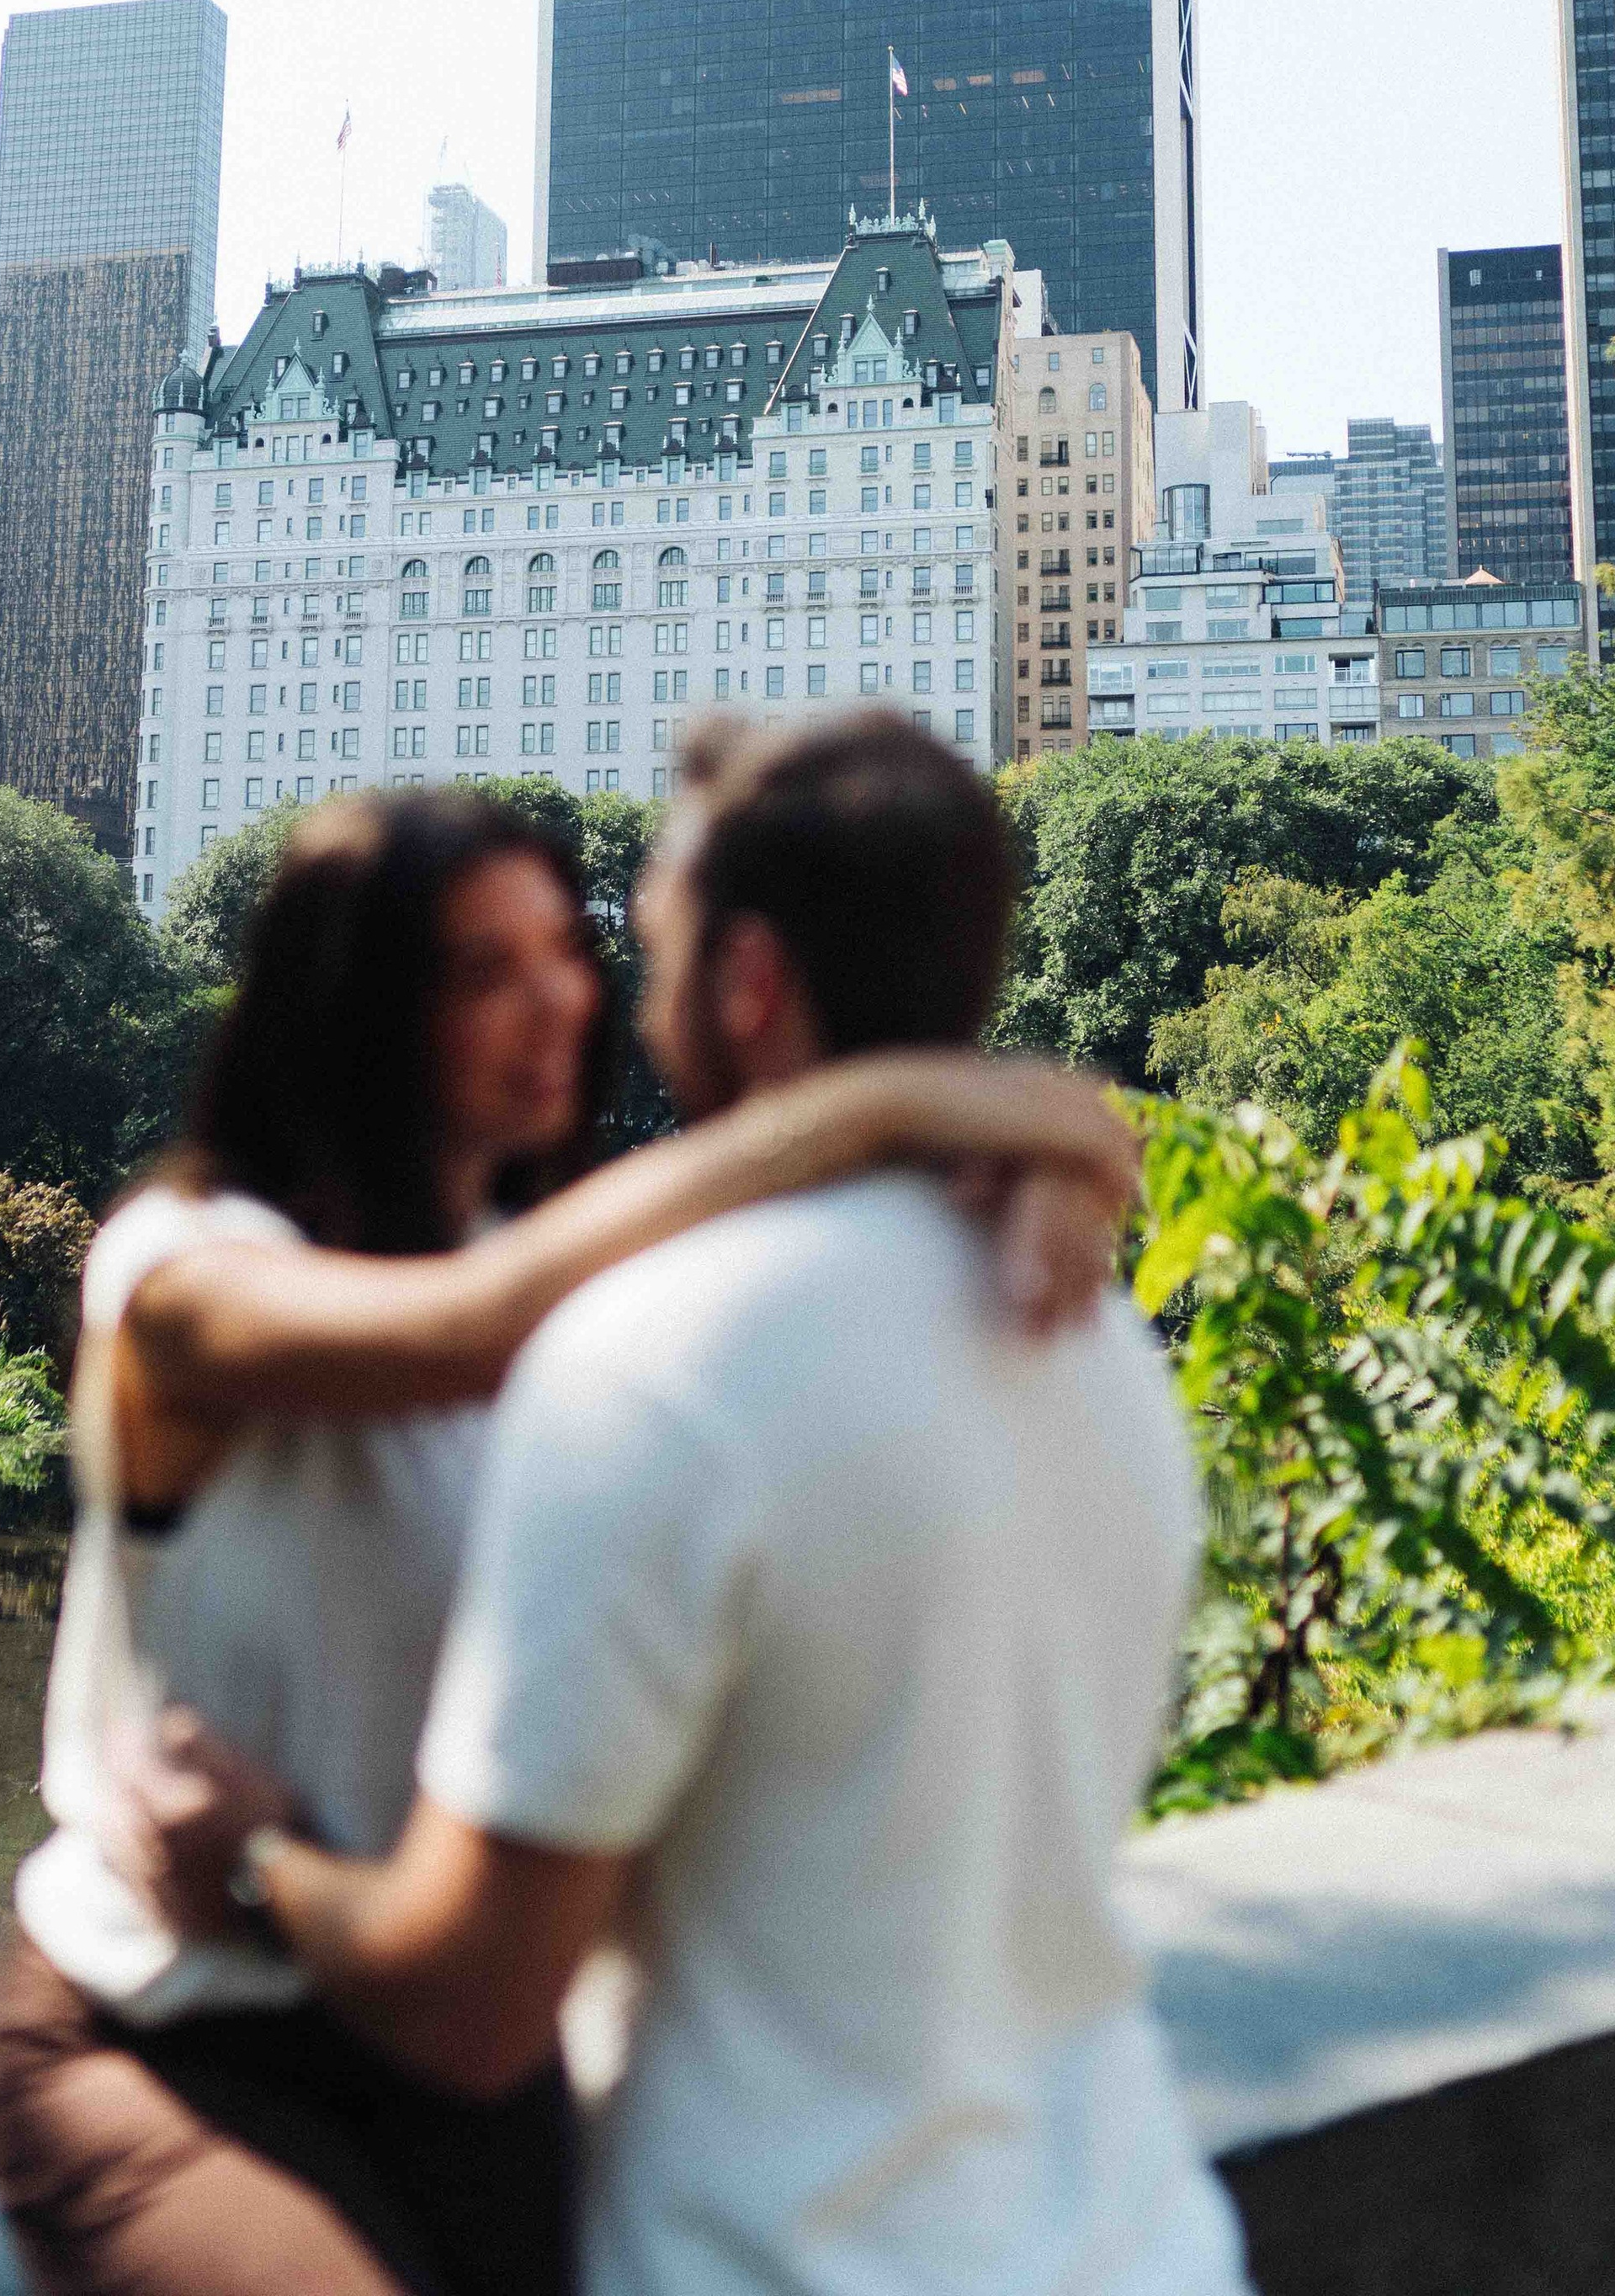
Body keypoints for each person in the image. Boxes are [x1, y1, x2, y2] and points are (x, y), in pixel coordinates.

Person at [123, 720, 1251, 2296]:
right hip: (1142, 2245)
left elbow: (474, 2002)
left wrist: (253, 1866)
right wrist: (971, 1114)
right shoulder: (1102, 1348)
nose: (595, 1001)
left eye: (633, 941)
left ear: (748, 983)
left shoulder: (659, 1365)